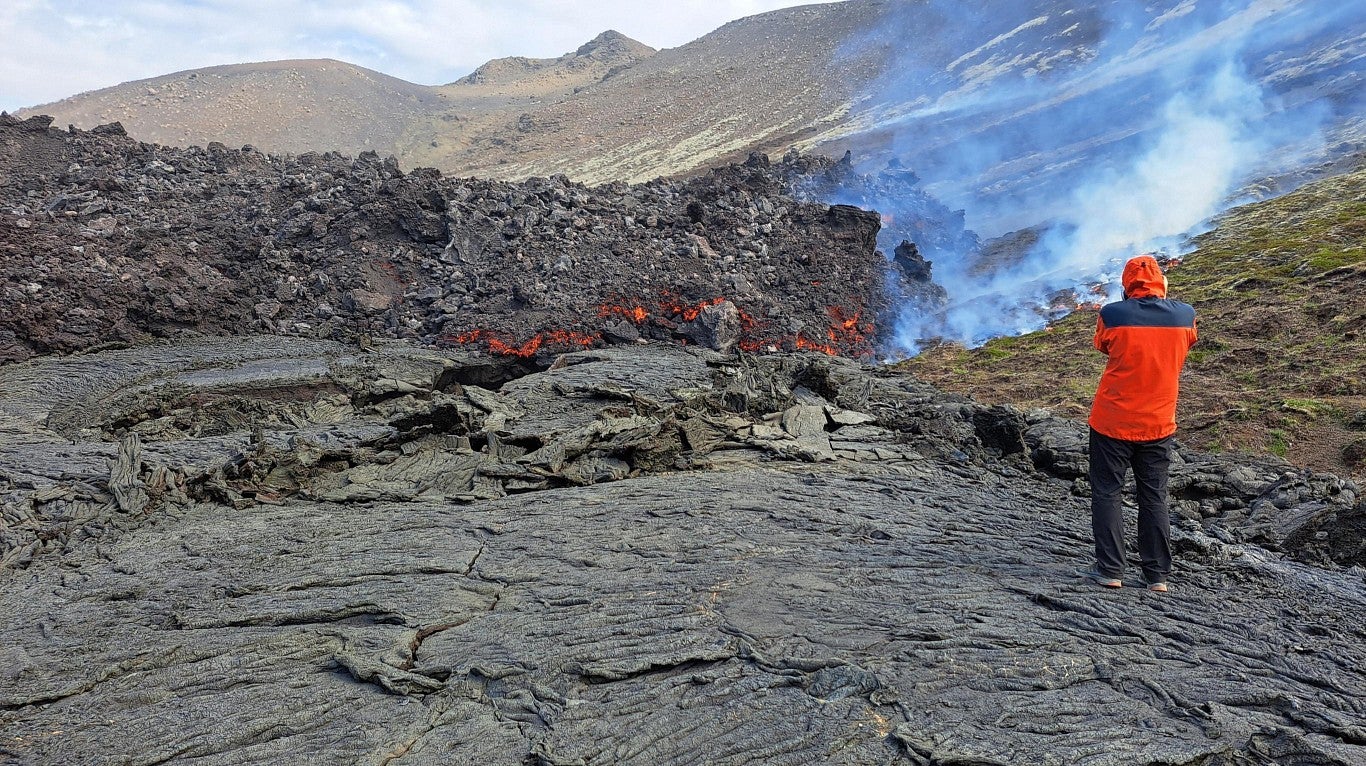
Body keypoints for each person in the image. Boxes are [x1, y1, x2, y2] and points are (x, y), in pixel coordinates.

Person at [1078, 254, 1197, 593]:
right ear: (1162, 281)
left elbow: (1103, 346)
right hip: (1158, 423)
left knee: (1107, 493)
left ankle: (1110, 569)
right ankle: (1157, 575)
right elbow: (1188, 344)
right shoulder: (1185, 316)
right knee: (1154, 496)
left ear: (1126, 285)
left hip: (1111, 421)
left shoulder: (1112, 314)